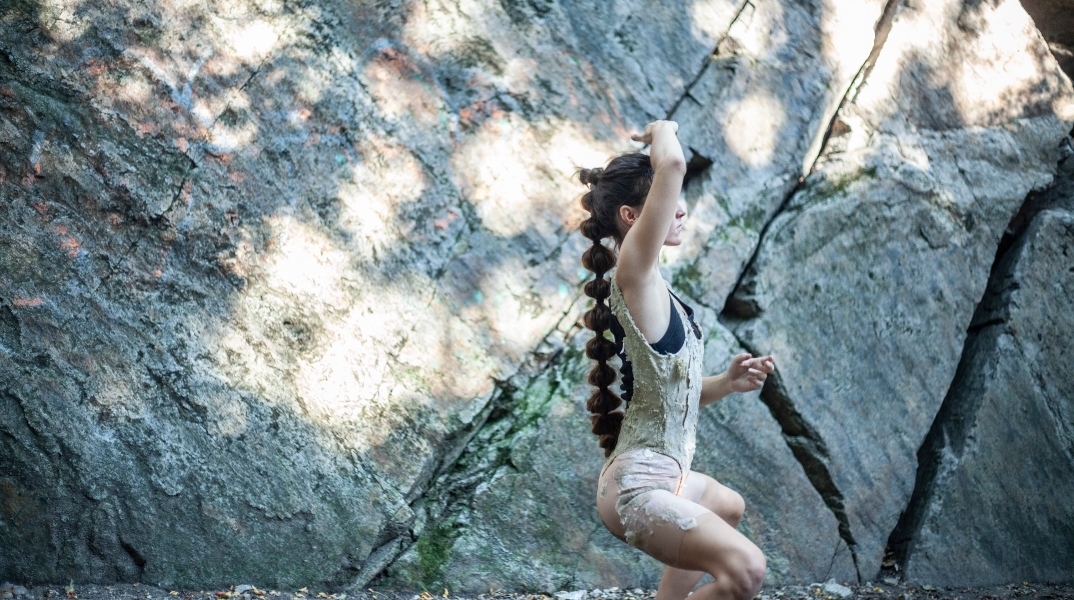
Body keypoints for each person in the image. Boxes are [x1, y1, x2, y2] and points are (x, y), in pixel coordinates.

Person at [578, 120, 776, 600]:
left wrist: (725, 383)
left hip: (669, 480)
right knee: (747, 571)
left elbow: (671, 393)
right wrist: (662, 129)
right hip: (636, 493)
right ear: (631, 216)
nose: (681, 209)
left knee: (729, 506)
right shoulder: (635, 271)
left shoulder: (656, 288)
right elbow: (672, 161)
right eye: (668, 200)